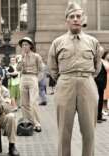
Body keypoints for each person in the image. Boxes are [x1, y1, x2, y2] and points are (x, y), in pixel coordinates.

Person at [47, 2, 102, 156]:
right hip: (65, 84)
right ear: (67, 20)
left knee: (89, 131)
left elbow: (97, 65)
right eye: (72, 17)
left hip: (87, 83)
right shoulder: (58, 42)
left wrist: (86, 78)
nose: (75, 19)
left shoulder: (93, 42)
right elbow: (52, 67)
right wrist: (65, 79)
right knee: (64, 132)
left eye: (78, 16)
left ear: (82, 18)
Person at [17, 36, 43, 132]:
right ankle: (27, 122)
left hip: (32, 77)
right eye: (23, 45)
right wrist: (21, 58)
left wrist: (37, 80)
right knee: (24, 103)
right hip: (23, 78)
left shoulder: (36, 56)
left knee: (33, 102)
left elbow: (41, 70)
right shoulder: (20, 57)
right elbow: (18, 69)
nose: (24, 46)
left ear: (30, 46)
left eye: (26, 44)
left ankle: (37, 123)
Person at [96, 49, 109, 123]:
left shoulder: (101, 61)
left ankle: (99, 116)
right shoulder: (98, 61)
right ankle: (97, 117)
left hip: (102, 83)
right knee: (98, 100)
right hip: (98, 83)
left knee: (100, 100)